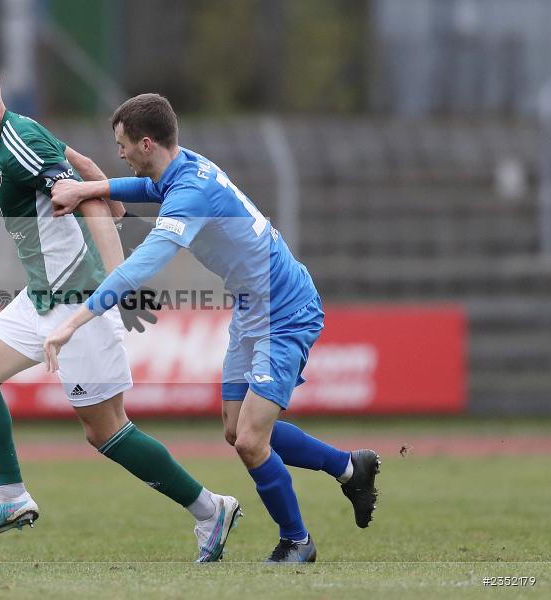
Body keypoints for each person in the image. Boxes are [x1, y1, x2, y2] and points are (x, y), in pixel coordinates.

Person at [43, 93, 381, 563]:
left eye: (121, 145)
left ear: (145, 144)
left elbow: (140, 267)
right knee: (235, 430)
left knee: (250, 441)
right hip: (252, 307)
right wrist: (87, 190)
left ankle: (297, 542)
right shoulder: (183, 167)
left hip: (285, 310)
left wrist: (73, 323)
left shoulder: (189, 195)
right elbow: (146, 190)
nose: (118, 154)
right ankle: (350, 468)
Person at [0, 48, 241, 562]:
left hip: (77, 301)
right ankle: (12, 498)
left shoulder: (18, 143)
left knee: (106, 432)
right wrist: (109, 192)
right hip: (41, 297)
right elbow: (79, 169)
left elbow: (86, 199)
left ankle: (211, 509)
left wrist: (116, 277)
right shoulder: (14, 136)